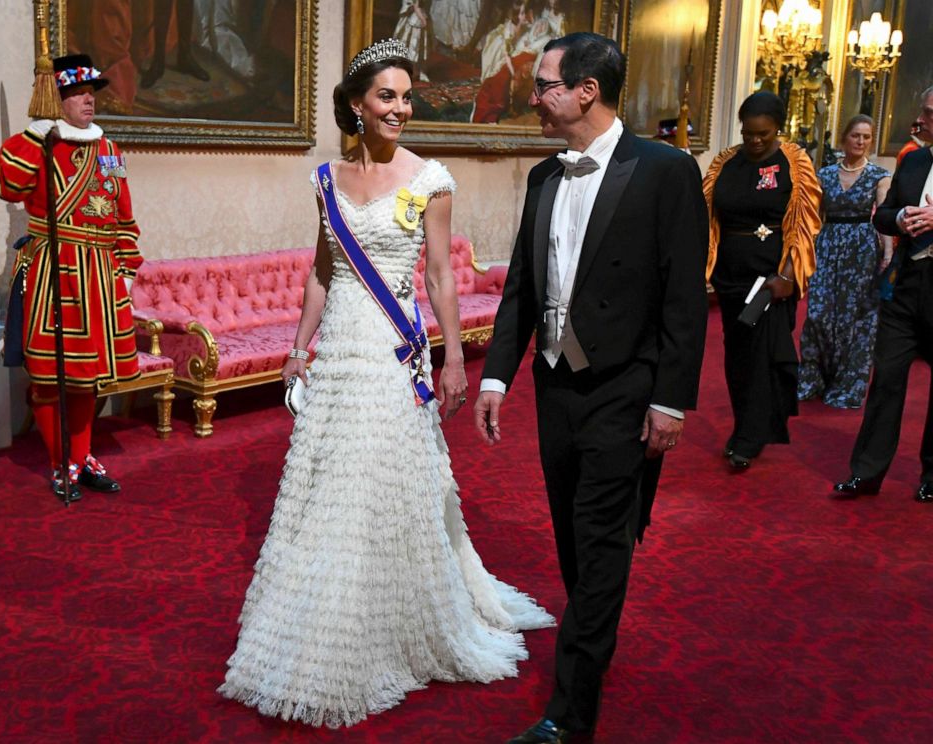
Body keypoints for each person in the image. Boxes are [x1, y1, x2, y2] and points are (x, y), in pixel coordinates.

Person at [218, 38, 553, 728]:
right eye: (387, 96)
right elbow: (320, 271)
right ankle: (323, 623)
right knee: (328, 484)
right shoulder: (325, 180)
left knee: (380, 481)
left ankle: (388, 626)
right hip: (339, 346)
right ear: (356, 105)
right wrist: (298, 347)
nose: (401, 108)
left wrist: (455, 359)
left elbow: (437, 277)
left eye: (407, 96)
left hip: (392, 351)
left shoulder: (429, 179)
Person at [474, 33, 709, 743]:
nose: (534, 96)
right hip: (555, 386)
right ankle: (592, 641)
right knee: (574, 539)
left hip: (624, 389)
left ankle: (568, 717)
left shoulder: (665, 170)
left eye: (544, 84)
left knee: (603, 539)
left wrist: (670, 400)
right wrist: (495, 377)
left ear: (585, 91)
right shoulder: (545, 176)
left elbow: (682, 298)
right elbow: (522, 287)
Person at [0, 54, 142, 500]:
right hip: (56, 272)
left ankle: (81, 456)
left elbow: (123, 217)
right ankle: (62, 462)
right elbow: (8, 187)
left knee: (87, 375)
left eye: (90, 93)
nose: (87, 101)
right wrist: (33, 135)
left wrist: (126, 269)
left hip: (99, 275)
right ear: (55, 100)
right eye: (77, 93)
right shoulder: (37, 146)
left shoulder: (110, 150)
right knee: (49, 375)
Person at [703, 91, 822, 470]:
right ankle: (744, 426)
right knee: (737, 356)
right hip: (731, 278)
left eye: (764, 135)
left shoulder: (794, 163)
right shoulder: (726, 163)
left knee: (762, 357)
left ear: (778, 130)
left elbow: (805, 223)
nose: (755, 141)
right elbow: (706, 215)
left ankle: (750, 438)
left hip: (773, 279)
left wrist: (787, 275)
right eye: (748, 134)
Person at [834, 85, 933, 503]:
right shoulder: (913, 162)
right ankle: (867, 472)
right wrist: (903, 218)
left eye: (929, 112)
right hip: (906, 288)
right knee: (886, 381)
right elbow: (885, 214)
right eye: (925, 110)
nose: (922, 119)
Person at [797, 115, 892, 408]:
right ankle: (813, 378)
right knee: (819, 313)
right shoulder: (824, 174)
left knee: (855, 318)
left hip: (862, 247)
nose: (861, 142)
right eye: (856, 136)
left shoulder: (879, 175)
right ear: (844, 139)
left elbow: (885, 216)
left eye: (866, 137)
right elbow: (813, 217)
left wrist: (888, 253)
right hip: (827, 245)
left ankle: (848, 384)